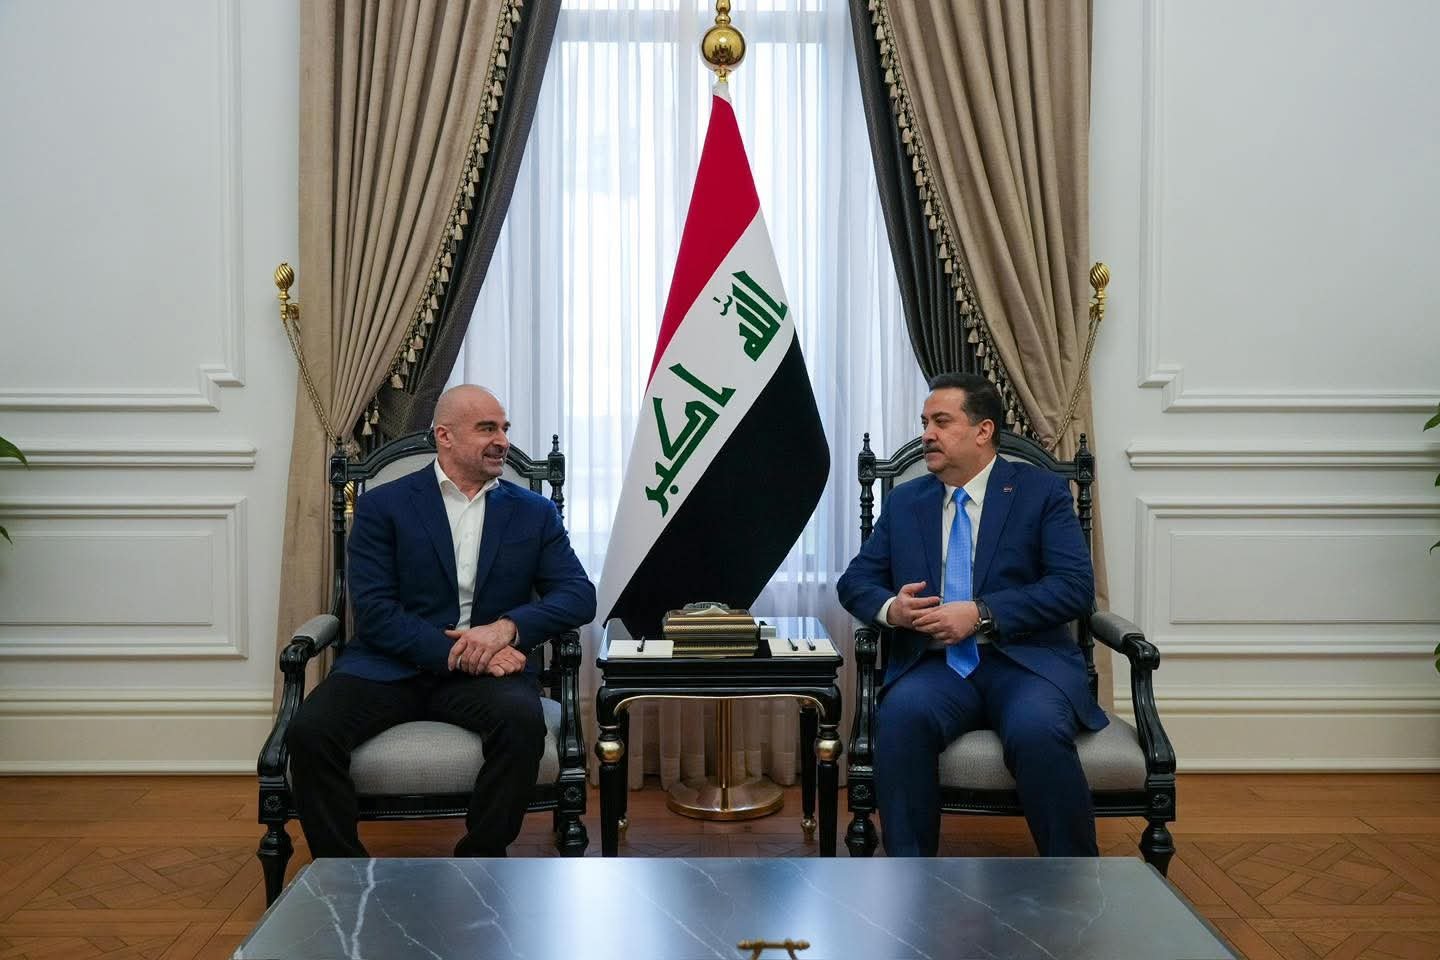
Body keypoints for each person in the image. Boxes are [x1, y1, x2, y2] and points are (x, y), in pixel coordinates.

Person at [287, 384, 596, 858]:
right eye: (487, 429)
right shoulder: (383, 506)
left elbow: (578, 594)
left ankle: (479, 861)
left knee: (522, 724)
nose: (502, 441)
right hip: (388, 666)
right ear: (444, 436)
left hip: (488, 674)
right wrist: (465, 652)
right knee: (309, 732)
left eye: (504, 429)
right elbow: (375, 612)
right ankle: (344, 874)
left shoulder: (533, 513)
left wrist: (504, 630)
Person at [836, 372, 1106, 857]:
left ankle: (1076, 880)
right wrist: (894, 610)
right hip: (936, 667)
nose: (927, 435)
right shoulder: (906, 502)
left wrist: (981, 613)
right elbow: (855, 582)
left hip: (1024, 664)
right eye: (924, 423)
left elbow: (1074, 588)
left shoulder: (1040, 492)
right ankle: (910, 878)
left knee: (1037, 730)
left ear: (983, 431)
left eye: (941, 422)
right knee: (899, 718)